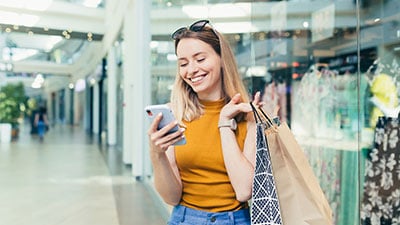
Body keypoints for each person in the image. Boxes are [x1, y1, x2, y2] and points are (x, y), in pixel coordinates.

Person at [147, 20, 261, 225]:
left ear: (221, 59)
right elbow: (171, 197)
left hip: (234, 220)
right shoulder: (176, 114)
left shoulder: (248, 115)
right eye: (183, 63)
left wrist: (225, 122)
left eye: (200, 59)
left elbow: (244, 191)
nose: (191, 70)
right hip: (184, 219)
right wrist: (157, 155)